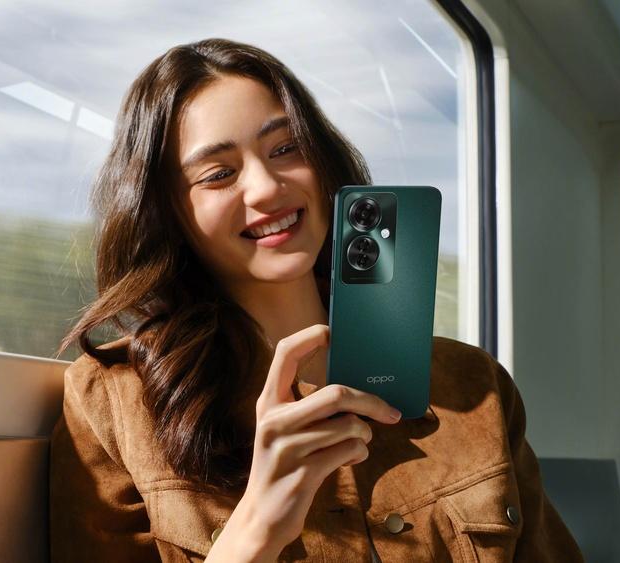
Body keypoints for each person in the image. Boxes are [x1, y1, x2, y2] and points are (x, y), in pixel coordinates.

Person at [49, 38, 583, 562]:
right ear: (168, 210)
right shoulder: (111, 404)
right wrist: (256, 527)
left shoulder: (474, 386)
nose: (265, 187)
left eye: (285, 148)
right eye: (219, 174)